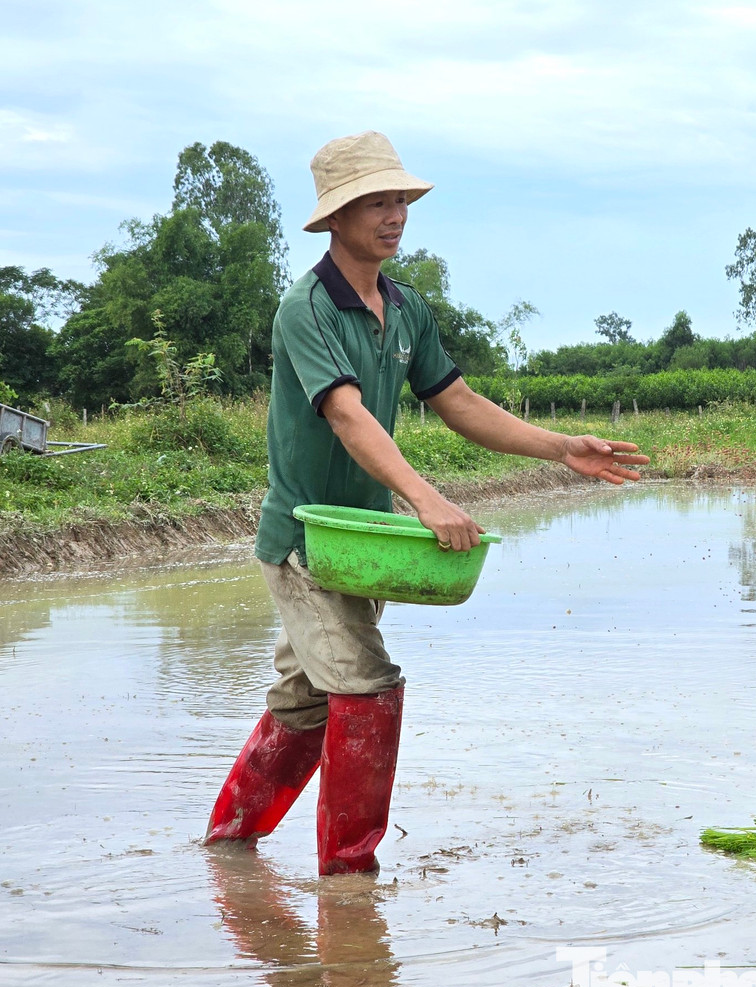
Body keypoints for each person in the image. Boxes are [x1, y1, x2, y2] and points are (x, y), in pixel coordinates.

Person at [203, 131, 648, 874]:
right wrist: (426, 499)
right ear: (336, 218)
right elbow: (346, 415)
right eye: (375, 201)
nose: (395, 214)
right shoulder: (305, 308)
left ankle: (227, 848)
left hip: (363, 546)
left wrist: (560, 446)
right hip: (307, 543)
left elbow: (460, 401)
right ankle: (350, 880)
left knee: (307, 708)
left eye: (400, 199)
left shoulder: (406, 309)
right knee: (370, 689)